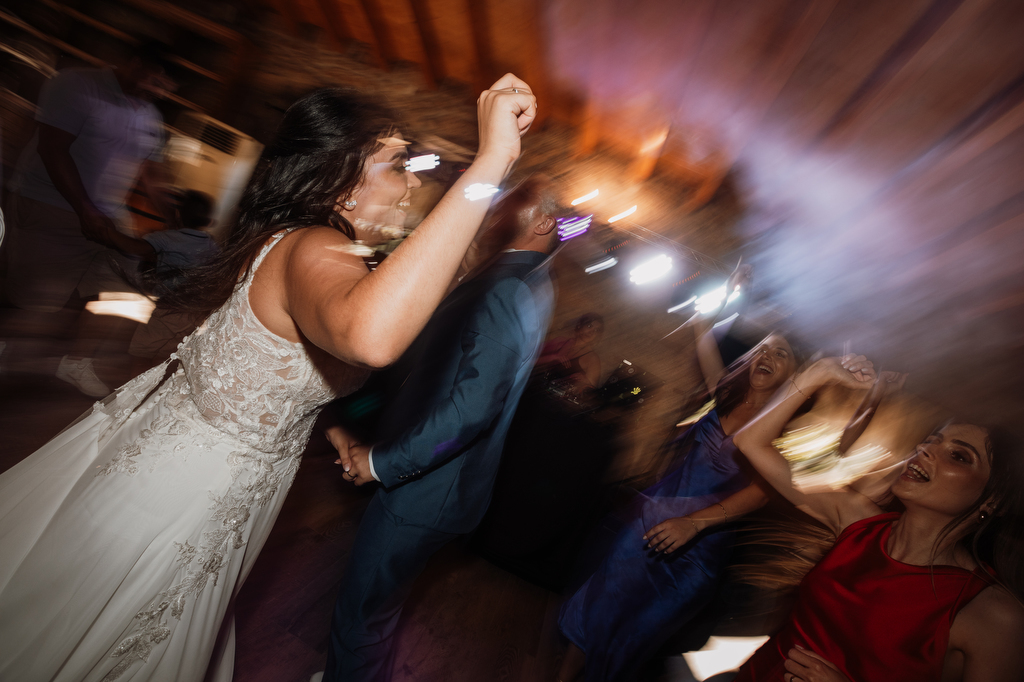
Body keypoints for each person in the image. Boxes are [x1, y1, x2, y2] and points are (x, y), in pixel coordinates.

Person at [0, 75, 539, 682]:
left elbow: (275, 366)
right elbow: (372, 337)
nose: (413, 182)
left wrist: (324, 422)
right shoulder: (313, 248)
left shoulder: (323, 251)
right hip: (180, 489)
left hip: (232, 488)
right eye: (396, 165)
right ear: (341, 182)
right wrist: (491, 161)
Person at [319, 175, 563, 682]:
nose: (497, 209)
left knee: (361, 615)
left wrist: (383, 462)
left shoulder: (510, 285)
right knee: (376, 610)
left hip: (426, 492)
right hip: (440, 483)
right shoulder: (523, 279)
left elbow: (473, 407)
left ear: (543, 222)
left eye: (513, 203)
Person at [731, 356, 1024, 682]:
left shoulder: (993, 614)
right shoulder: (857, 522)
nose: (925, 449)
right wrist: (818, 373)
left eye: (958, 455)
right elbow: (751, 441)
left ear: (993, 501)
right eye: (932, 440)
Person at [556, 324, 802, 682]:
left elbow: (759, 494)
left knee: (636, 633)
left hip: (699, 555)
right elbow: (706, 347)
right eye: (763, 348)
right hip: (649, 525)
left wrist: (694, 523)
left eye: (781, 353)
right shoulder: (726, 393)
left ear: (793, 377)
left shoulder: (776, 435)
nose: (767, 355)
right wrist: (714, 312)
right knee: (601, 603)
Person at [4, 40, 176, 396]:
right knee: (38, 295)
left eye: (165, 87)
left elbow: (151, 172)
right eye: (154, 80)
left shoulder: (150, 116)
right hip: (50, 203)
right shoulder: (76, 85)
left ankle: (76, 361)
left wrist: (176, 222)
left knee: (122, 292)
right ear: (134, 63)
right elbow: (52, 148)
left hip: (109, 215)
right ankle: (8, 350)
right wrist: (84, 208)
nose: (159, 91)